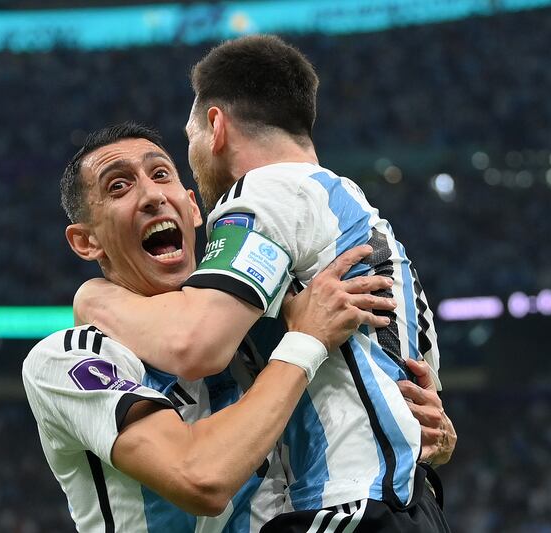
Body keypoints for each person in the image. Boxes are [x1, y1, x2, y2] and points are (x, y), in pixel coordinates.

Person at [77, 36, 455, 531]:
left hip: (345, 510)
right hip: (404, 505)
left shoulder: (264, 192)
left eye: (184, 145)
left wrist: (95, 299)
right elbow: (424, 399)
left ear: (215, 127)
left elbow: (196, 345)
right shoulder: (351, 212)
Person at [22, 123, 400, 532]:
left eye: (161, 174)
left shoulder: (249, 331)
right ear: (85, 242)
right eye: (118, 187)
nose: (152, 196)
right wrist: (306, 341)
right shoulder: (67, 358)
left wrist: (411, 429)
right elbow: (199, 476)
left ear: (192, 207)